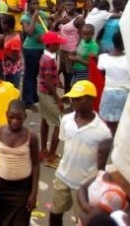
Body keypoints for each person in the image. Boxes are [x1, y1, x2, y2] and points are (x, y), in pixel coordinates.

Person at [49, 80, 113, 226]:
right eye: (73, 99)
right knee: (54, 214)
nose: (73, 102)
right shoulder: (66, 120)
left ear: (91, 100)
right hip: (62, 177)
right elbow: (66, 145)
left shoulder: (103, 132)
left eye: (78, 99)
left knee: (83, 221)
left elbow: (101, 166)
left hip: (84, 186)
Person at [0, 100, 40, 226]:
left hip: (22, 189)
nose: (15, 121)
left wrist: (34, 192)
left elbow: (36, 164)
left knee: (20, 223)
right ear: (6, 115)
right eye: (11, 117)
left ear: (25, 117)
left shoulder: (31, 137)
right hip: (1, 188)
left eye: (19, 118)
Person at [38, 31, 66, 169]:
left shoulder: (46, 55)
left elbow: (47, 77)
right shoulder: (49, 60)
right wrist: (58, 99)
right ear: (52, 45)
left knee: (44, 119)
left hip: (42, 91)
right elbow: (48, 82)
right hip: (47, 93)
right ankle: (51, 157)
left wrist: (57, 81)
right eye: (58, 44)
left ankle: (43, 150)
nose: (59, 46)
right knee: (58, 124)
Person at [97, 32, 130, 136]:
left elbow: (101, 73)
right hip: (126, 95)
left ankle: (110, 148)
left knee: (110, 127)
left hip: (108, 94)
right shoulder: (129, 60)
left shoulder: (103, 58)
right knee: (125, 126)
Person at [21, 0, 48, 107]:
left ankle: (34, 96)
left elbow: (46, 28)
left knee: (36, 73)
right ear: (28, 5)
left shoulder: (42, 15)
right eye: (33, 4)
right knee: (29, 74)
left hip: (41, 48)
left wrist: (44, 37)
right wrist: (33, 18)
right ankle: (27, 100)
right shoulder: (25, 18)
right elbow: (29, 32)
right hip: (30, 49)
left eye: (37, 3)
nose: (36, 6)